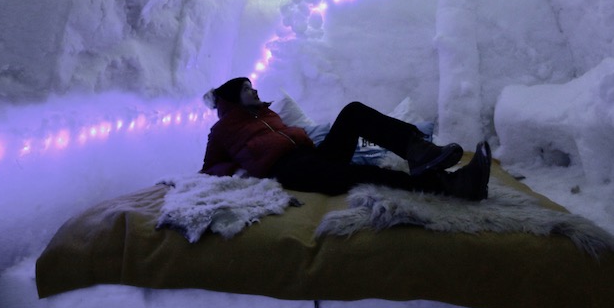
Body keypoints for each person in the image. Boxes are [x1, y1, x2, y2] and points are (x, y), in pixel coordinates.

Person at [200, 77, 490, 201]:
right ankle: (454, 186)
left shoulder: (268, 115)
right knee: (369, 174)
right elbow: (209, 167)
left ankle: (419, 151)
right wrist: (242, 170)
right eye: (248, 89)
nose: (256, 92)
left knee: (353, 112)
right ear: (232, 97)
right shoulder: (223, 130)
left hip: (313, 156)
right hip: (289, 171)